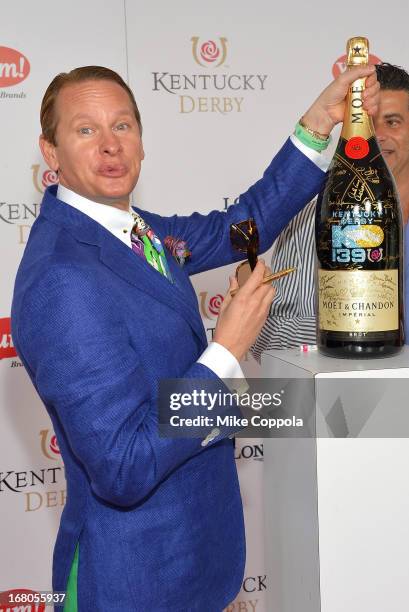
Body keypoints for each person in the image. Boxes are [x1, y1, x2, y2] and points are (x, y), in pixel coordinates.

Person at [11, 64, 378, 611]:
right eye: (85, 130)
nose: (111, 146)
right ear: (51, 151)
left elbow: (247, 221)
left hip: (194, 563)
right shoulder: (62, 277)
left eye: (123, 126)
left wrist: (318, 121)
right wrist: (225, 350)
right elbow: (124, 464)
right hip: (136, 581)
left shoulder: (143, 232)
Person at [251, 62, 409, 361]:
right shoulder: (308, 219)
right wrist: (351, 329)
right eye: (368, 122)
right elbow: (271, 336)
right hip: (336, 401)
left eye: (392, 122)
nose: (378, 136)